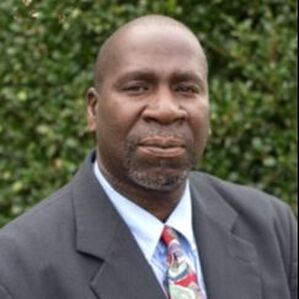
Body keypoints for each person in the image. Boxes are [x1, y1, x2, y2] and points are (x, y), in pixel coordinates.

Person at [0, 15, 297, 299]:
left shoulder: (270, 227)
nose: (166, 109)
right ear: (93, 109)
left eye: (186, 88)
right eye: (137, 88)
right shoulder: (16, 266)